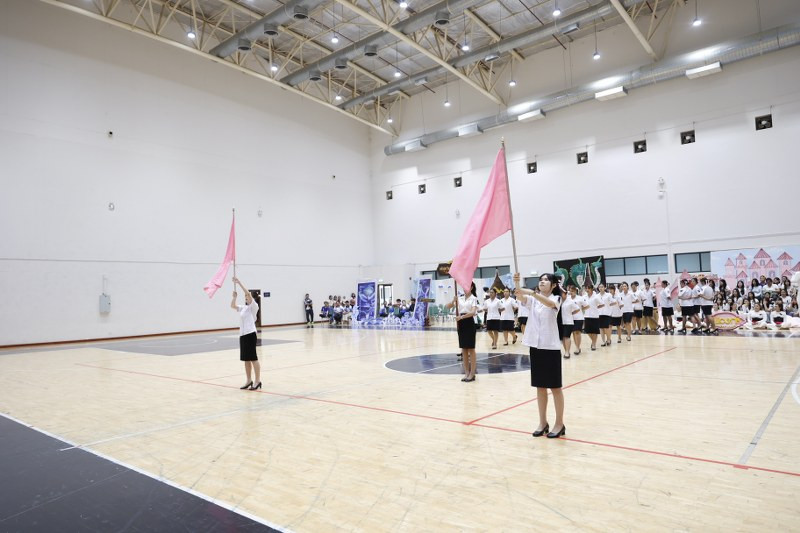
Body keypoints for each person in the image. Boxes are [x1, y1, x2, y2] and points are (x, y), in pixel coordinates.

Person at [513, 272, 565, 439]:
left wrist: (533, 293)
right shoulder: (533, 300)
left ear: (553, 285)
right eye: (540, 280)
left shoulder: (556, 299)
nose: (542, 282)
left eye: (546, 280)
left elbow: (549, 304)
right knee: (540, 387)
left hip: (550, 347)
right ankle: (543, 422)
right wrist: (517, 283)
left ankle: (559, 423)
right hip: (536, 346)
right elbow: (520, 296)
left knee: (555, 387)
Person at [231, 277, 261, 391]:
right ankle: (249, 380)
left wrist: (239, 283)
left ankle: (257, 381)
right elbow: (233, 306)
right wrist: (234, 298)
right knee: (246, 359)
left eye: (247, 296)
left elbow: (247, 292)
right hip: (243, 335)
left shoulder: (254, 306)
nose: (246, 298)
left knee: (253, 358)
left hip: (250, 334)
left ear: (251, 298)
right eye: (245, 297)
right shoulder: (244, 308)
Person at [447, 283, 479, 382]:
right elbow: (447, 307)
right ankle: (466, 373)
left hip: (469, 322)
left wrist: (461, 317)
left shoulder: (474, 298)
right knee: (464, 349)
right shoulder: (459, 298)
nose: (465, 289)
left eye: (467, 287)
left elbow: (473, 312)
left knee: (471, 349)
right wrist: (453, 301)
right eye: (464, 287)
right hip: (461, 324)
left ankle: (472, 373)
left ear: (472, 288)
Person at [583, 285, 601, 350]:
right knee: (588, 331)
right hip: (586, 315)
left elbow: (602, 304)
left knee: (594, 331)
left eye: (589, 288)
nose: (587, 290)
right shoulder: (584, 297)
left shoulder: (596, 297)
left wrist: (596, 308)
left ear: (592, 289)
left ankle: (593, 344)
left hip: (594, 316)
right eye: (586, 288)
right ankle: (593, 341)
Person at [568, 285, 585, 355]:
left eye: (572, 291)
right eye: (570, 291)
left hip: (579, 317)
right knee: (574, 333)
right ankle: (577, 346)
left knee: (577, 332)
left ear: (575, 291)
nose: (571, 292)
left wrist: (580, 309)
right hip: (570, 318)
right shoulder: (567, 298)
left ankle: (577, 347)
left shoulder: (580, 298)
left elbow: (587, 306)